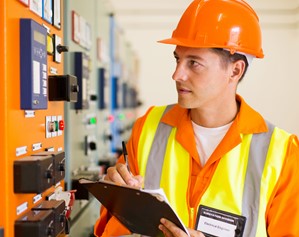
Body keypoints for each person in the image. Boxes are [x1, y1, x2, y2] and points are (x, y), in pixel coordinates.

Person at [94, 0, 299, 236]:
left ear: (235, 70)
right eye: (177, 59)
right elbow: (113, 230)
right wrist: (116, 198)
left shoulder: (283, 154)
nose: (177, 74)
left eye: (194, 63)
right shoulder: (148, 128)